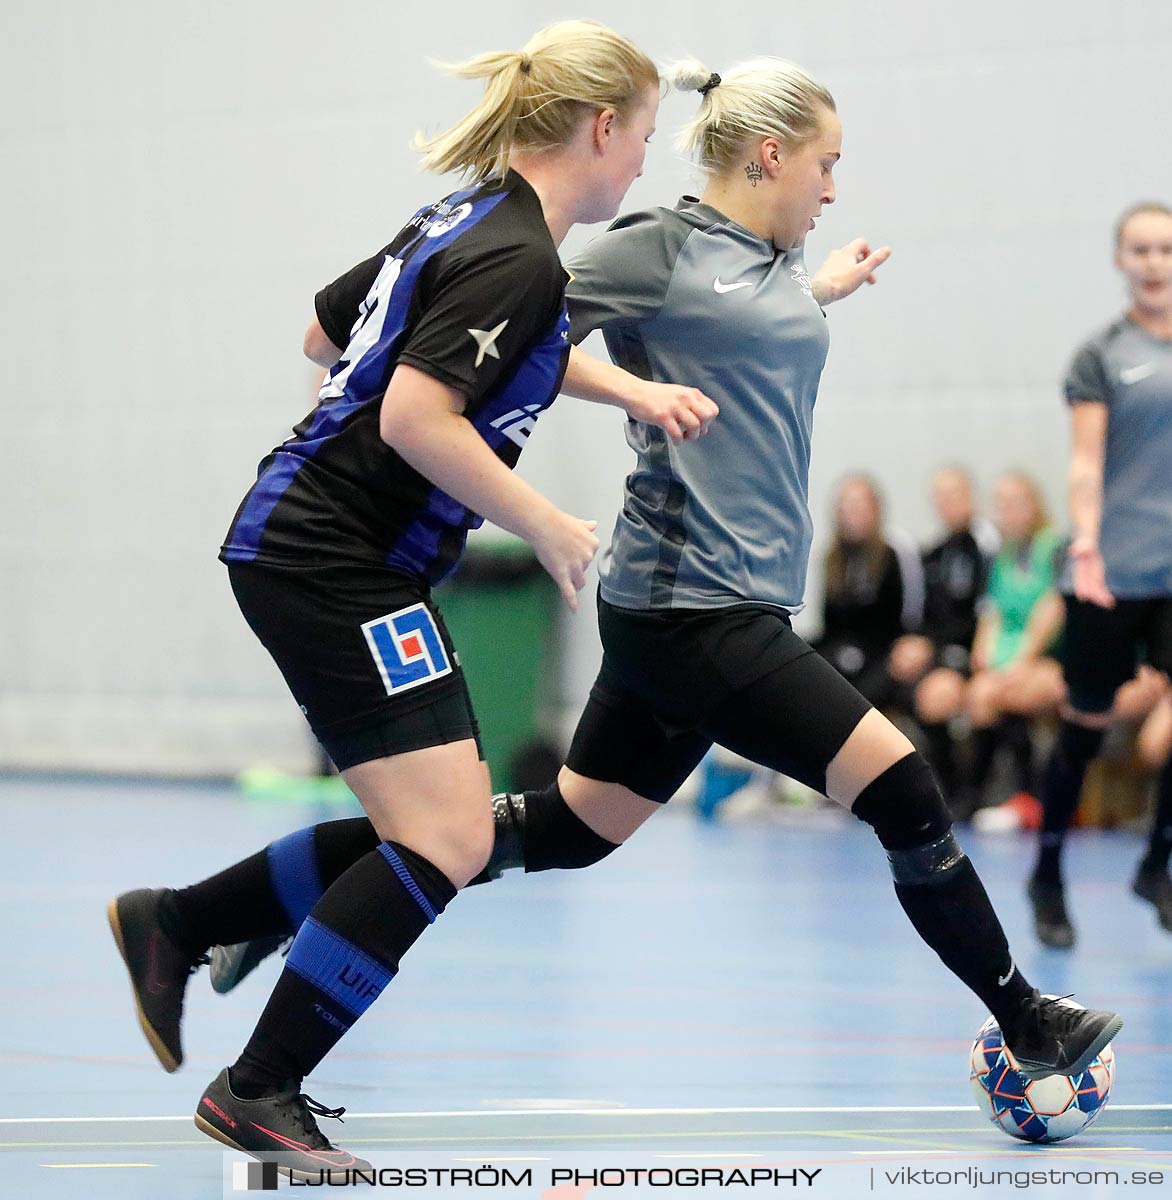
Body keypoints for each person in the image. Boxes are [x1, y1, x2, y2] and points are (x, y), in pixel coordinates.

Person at [198, 55, 1122, 1095]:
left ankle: (238, 909)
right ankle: (1025, 1018)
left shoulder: (770, 267)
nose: (832, 189)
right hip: (691, 605)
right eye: (826, 164)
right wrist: (602, 431)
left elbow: (734, 327)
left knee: (555, 831)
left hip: (707, 604)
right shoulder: (653, 249)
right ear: (769, 155)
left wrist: (820, 292)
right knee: (902, 788)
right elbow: (520, 323)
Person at [101, 24, 714, 1176]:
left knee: (429, 825)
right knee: (444, 836)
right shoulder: (519, 255)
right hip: (336, 562)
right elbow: (412, 414)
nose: (641, 164)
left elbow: (331, 332)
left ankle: (180, 922)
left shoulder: (467, 221)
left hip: (316, 549)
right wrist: (546, 525)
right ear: (598, 129)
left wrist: (626, 383)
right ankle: (259, 1084)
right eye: (640, 139)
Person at [1028, 201, 1172, 947]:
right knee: (1085, 731)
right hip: (1112, 571)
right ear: (1122, 262)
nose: (1154, 262)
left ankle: (1157, 865)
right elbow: (1086, 461)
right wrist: (1086, 541)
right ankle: (1049, 873)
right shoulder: (1101, 356)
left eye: (1166, 249)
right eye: (1140, 250)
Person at [957, 471, 1066, 818]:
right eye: (1002, 505)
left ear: (1035, 505)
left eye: (1016, 503)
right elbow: (992, 612)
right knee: (979, 695)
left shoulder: (1054, 547)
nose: (1008, 512)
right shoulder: (1002, 554)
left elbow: (1053, 608)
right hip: (1009, 656)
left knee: (1011, 693)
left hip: (1050, 656)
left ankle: (1032, 794)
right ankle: (977, 793)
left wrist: (1024, 659)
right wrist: (985, 658)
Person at [888, 467, 997, 797]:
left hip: (974, 650)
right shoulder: (933, 553)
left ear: (971, 497)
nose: (948, 504)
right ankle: (942, 788)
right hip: (939, 650)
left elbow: (991, 610)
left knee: (938, 697)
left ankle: (968, 791)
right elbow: (921, 616)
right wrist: (915, 644)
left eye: (955, 495)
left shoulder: (987, 546)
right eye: (941, 498)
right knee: (895, 685)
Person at [812, 474, 922, 712]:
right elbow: (828, 627)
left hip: (885, 655)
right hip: (841, 653)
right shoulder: (832, 559)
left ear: (876, 510)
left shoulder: (894, 553)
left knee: (855, 701)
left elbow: (913, 615)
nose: (853, 513)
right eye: (847, 506)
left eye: (860, 505)